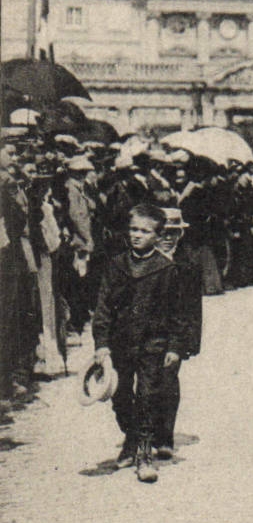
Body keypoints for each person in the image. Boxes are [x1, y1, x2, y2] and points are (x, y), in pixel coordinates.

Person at [91, 202, 191, 483]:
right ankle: (131, 438)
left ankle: (145, 454)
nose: (136, 235)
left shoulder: (166, 268)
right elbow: (103, 308)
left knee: (147, 397)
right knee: (120, 396)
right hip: (121, 343)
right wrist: (101, 343)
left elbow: (177, 314)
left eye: (145, 231)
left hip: (153, 344)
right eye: (133, 229)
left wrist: (174, 347)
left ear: (158, 236)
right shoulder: (116, 265)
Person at [152, 207, 204, 460]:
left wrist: (192, 339)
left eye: (173, 232)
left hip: (175, 333)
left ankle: (165, 437)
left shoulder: (188, 264)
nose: (168, 238)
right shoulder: (138, 259)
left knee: (168, 380)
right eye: (163, 232)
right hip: (144, 333)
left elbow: (194, 306)